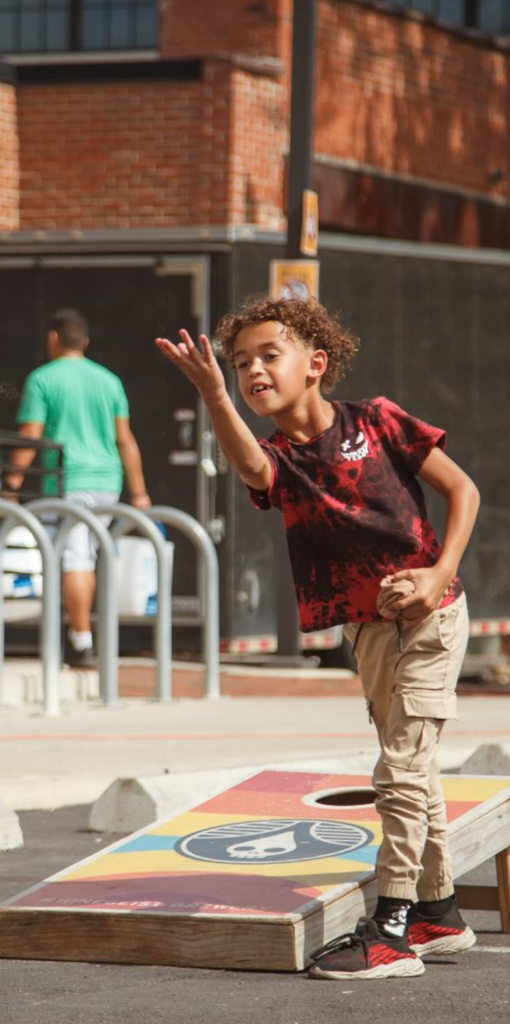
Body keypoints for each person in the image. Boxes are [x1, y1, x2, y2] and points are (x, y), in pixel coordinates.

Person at [155, 297, 480, 981]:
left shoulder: (376, 420)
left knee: (398, 769)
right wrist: (213, 392)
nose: (253, 370)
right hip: (366, 631)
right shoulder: (279, 458)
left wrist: (435, 573)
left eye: (268, 355)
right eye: (242, 363)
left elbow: (464, 491)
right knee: (412, 769)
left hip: (432, 616)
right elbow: (249, 468)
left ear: (316, 363)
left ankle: (390, 927)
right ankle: (438, 913)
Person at [4, 309, 151, 668]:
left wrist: (11, 484)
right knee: (87, 556)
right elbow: (125, 439)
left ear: (53, 338)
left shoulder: (42, 379)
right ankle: (77, 633)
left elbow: (30, 436)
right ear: (84, 342)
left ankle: (81, 642)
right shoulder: (109, 381)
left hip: (69, 481)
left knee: (74, 559)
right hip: (107, 481)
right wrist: (139, 492)